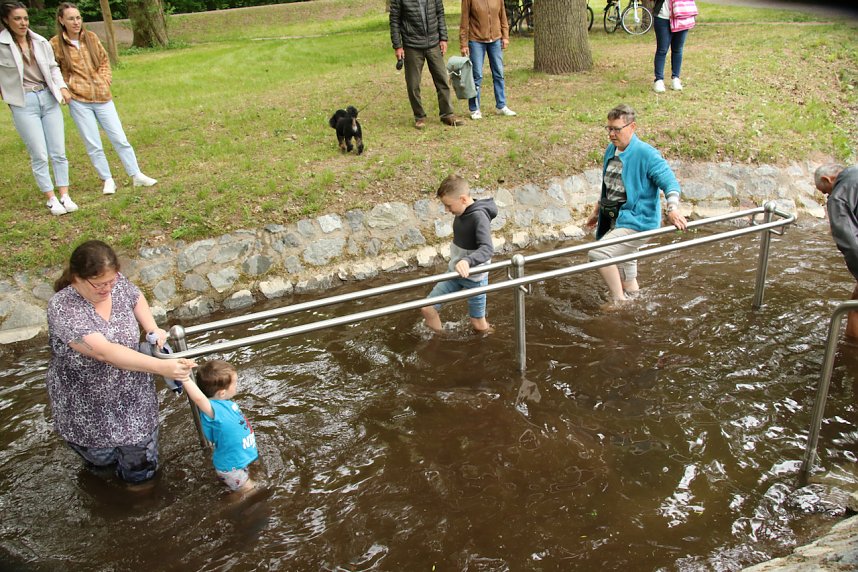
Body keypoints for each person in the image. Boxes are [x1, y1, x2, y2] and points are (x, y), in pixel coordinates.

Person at [46, 240, 196, 485]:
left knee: (141, 471)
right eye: (99, 284)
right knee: (101, 467)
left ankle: (141, 504)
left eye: (112, 281)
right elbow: (105, 352)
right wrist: (163, 367)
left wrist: (151, 328)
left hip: (134, 401)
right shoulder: (63, 308)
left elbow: (135, 297)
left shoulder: (115, 282)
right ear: (78, 278)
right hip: (86, 408)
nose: (107, 288)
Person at [585, 104, 687, 308]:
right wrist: (598, 209)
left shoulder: (646, 154)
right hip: (616, 218)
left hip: (637, 221)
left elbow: (670, 182)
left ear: (632, 127)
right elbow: (610, 183)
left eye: (617, 129)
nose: (612, 134)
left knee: (598, 253)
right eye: (609, 129)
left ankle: (618, 301)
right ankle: (636, 306)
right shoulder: (611, 150)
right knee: (627, 278)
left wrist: (672, 208)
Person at [51, 3, 157, 195]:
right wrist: (66, 88)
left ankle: (136, 174)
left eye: (78, 18)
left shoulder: (91, 38)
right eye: (71, 18)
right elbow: (54, 70)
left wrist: (104, 79)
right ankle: (107, 179)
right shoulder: (55, 44)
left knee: (119, 137)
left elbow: (104, 61)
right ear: (61, 20)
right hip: (79, 100)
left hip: (102, 97)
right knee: (93, 143)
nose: (76, 22)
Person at [0, 1, 77, 216]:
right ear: (6, 20)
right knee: (39, 153)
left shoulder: (40, 41)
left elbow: (53, 68)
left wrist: (62, 88)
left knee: (58, 151)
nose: (23, 23)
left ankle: (65, 194)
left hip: (47, 97)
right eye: (17, 18)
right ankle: (51, 198)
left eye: (25, 18)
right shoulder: (2, 45)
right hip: (24, 102)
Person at [421, 174, 497, 333]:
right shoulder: (461, 211)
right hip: (455, 273)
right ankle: (439, 341)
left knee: (478, 324)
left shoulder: (478, 216)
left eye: (448, 205)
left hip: (475, 278)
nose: (446, 210)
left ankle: (494, 339)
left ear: (463, 199)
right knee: (428, 308)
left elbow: (487, 248)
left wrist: (468, 261)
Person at [182, 360, 259, 493]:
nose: (237, 386)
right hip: (230, 466)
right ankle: (229, 507)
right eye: (234, 384)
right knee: (249, 491)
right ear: (222, 393)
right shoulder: (213, 409)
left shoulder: (225, 403)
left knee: (252, 481)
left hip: (239, 458)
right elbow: (199, 399)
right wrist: (184, 377)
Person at [389, 0, 464, 129]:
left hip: (434, 43)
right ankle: (419, 117)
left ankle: (447, 114)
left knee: (442, 79)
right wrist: (398, 46)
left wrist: (443, 38)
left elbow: (440, 13)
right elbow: (394, 20)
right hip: (412, 45)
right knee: (413, 84)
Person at [815, 163, 858, 338]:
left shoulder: (839, 197)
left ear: (828, 179)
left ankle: (851, 350)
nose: (827, 196)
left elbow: (850, 242)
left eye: (825, 192)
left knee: (854, 308)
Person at [459, 0, 516, 120]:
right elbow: (464, 21)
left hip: (495, 40)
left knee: (499, 73)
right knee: (476, 76)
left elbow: (503, 16)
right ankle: (474, 109)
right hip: (476, 41)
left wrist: (505, 36)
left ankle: (501, 105)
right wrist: (464, 44)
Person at [652, 0, 691, 93]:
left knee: (678, 49)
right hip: (663, 17)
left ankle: (676, 78)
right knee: (662, 50)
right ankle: (659, 80)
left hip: (682, 16)